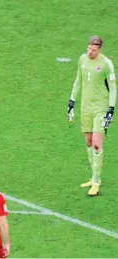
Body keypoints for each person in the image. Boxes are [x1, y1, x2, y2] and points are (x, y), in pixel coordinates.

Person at [67, 36, 117, 196]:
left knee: (96, 144)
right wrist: (71, 102)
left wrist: (111, 109)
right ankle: (94, 177)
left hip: (100, 108)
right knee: (88, 141)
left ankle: (96, 181)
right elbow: (78, 81)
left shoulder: (106, 64)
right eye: (89, 48)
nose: (90, 52)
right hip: (86, 107)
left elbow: (113, 88)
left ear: (99, 49)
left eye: (94, 50)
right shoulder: (82, 59)